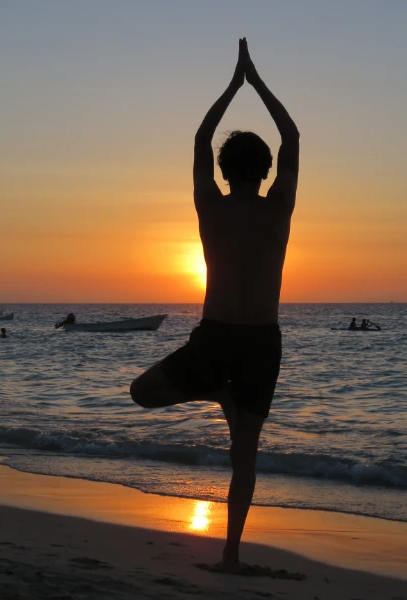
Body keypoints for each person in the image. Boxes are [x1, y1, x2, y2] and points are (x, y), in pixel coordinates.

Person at [130, 38, 298, 571]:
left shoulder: (211, 206)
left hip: (221, 336)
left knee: (143, 393)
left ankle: (216, 393)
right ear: (266, 170)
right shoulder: (279, 208)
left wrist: (234, 83)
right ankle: (229, 555)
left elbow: (203, 136)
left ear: (225, 171)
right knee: (242, 456)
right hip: (256, 340)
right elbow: (291, 133)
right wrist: (256, 80)